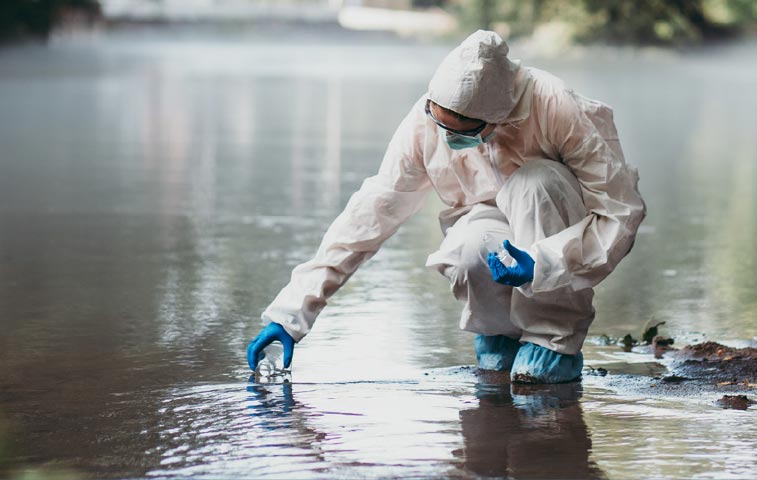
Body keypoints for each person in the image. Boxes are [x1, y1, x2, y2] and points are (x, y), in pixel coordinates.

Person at [247, 30, 646, 383]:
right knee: (469, 245)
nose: (444, 136)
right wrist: (291, 313)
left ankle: (552, 338)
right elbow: (371, 212)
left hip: (555, 218)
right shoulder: (426, 123)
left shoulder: (555, 106)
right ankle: (499, 333)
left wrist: (544, 260)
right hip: (492, 223)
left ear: (497, 119)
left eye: (460, 131)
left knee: (533, 183)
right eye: (439, 123)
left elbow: (619, 211)